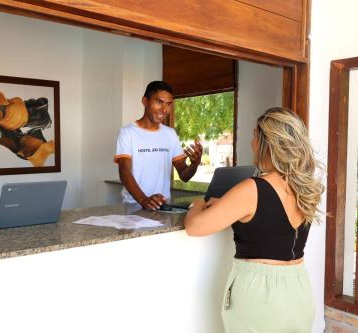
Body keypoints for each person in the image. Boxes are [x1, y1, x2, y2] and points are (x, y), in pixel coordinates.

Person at [184, 107, 324, 333]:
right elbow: (271, 219)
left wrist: (198, 204)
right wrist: (229, 203)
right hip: (299, 291)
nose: (252, 143)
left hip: (260, 297)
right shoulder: (305, 187)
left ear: (267, 142)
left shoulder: (253, 188)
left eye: (254, 136)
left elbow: (194, 226)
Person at [114, 80, 203, 210]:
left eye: (168, 104)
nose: (164, 109)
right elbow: (124, 171)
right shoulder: (128, 132)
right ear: (145, 101)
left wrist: (195, 164)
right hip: (134, 206)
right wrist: (143, 200)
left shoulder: (170, 134)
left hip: (163, 207)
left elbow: (184, 175)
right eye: (159, 102)